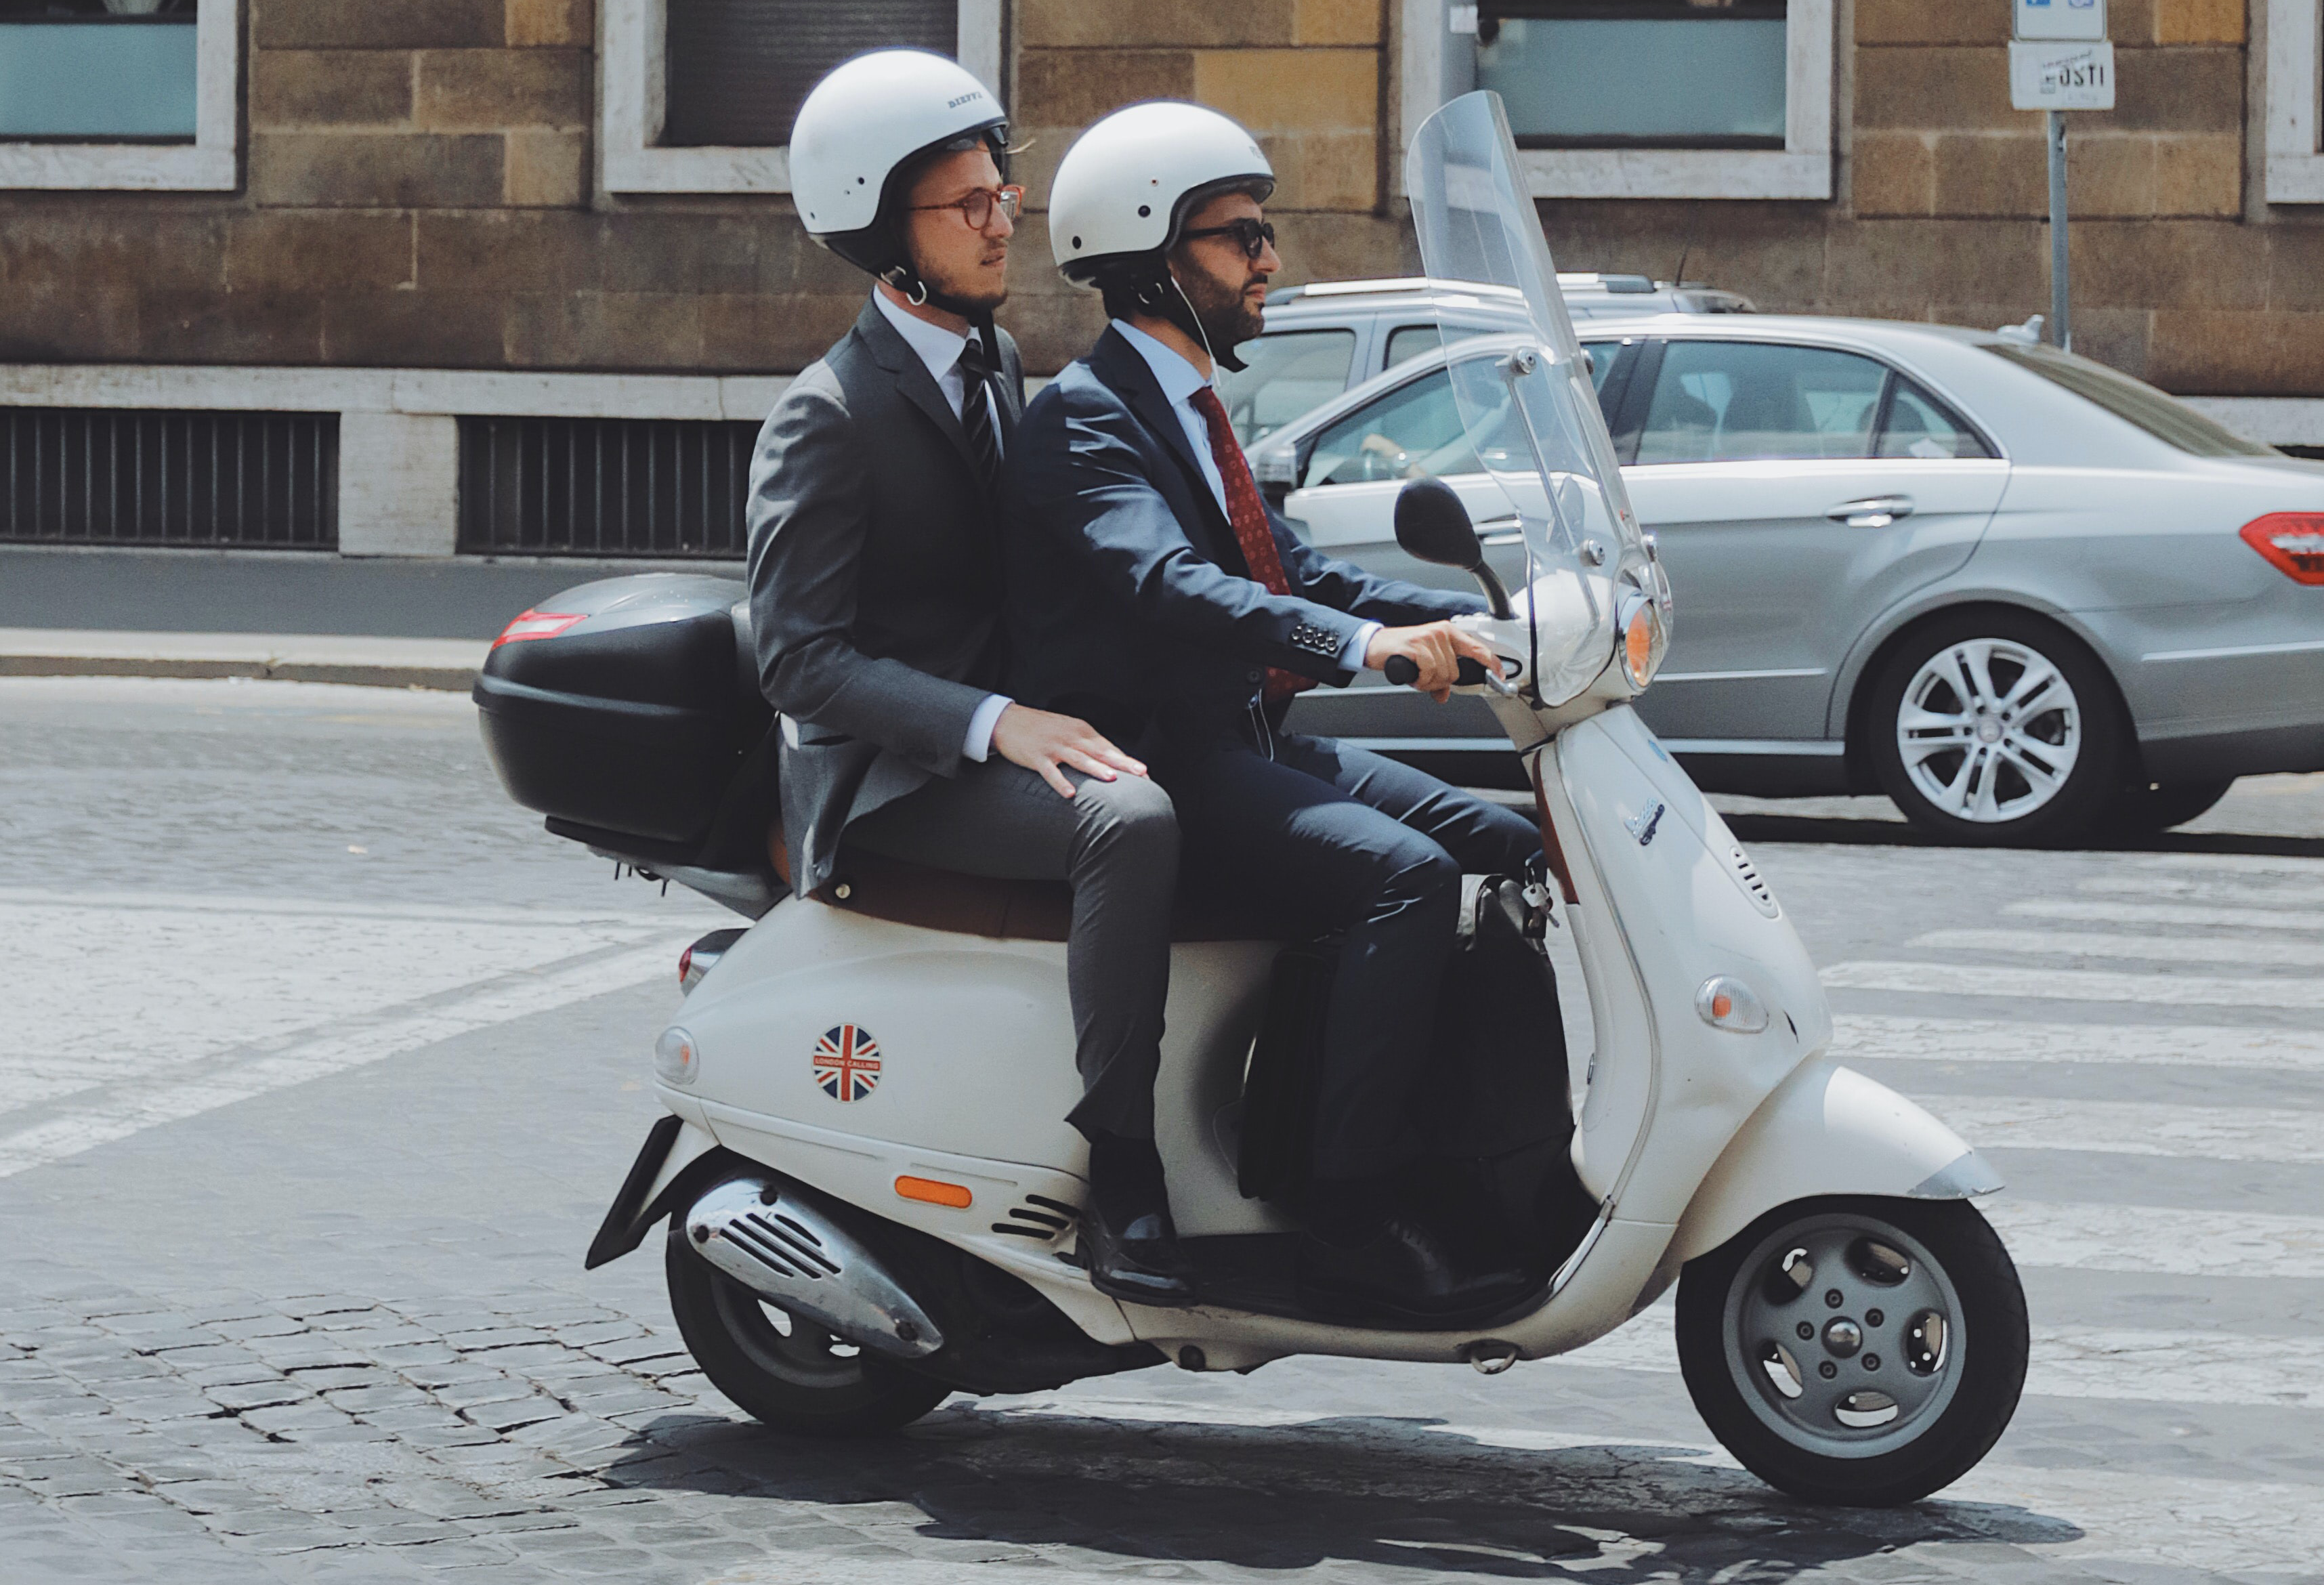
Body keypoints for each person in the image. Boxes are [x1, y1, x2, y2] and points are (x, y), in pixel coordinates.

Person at [1005, 102, 1544, 1326]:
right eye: (1241, 236)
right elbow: (1170, 583)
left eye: (1265, 233)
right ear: (1152, 256)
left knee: (1511, 847)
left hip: (1247, 737)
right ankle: (1346, 1206)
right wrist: (1365, 647)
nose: (1270, 260)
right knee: (1403, 878)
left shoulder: (1191, 409)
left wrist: (1485, 620)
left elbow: (1292, 568)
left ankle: (1485, 1154)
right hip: (1161, 754)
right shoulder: (1087, 418)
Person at [746, 51, 1194, 1308]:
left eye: (1006, 193)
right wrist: (998, 725)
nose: (1008, 222)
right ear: (884, 231)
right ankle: (1119, 1171)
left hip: (993, 742)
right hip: (890, 782)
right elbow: (797, 656)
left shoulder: (992, 363)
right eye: (970, 205)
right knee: (1129, 817)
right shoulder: (826, 416)